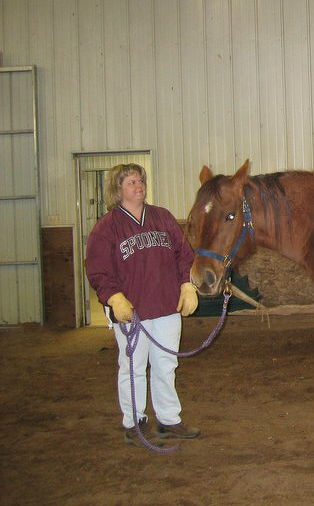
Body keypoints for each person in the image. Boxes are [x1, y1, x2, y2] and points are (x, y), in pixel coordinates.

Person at [85, 163, 200, 448]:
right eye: (132, 183)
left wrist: (187, 284)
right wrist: (113, 297)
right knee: (133, 368)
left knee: (166, 364)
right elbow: (98, 268)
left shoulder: (162, 217)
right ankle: (134, 423)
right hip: (132, 310)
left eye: (141, 181)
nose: (139, 186)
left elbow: (183, 253)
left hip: (165, 306)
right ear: (118, 190)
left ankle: (168, 419)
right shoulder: (107, 227)